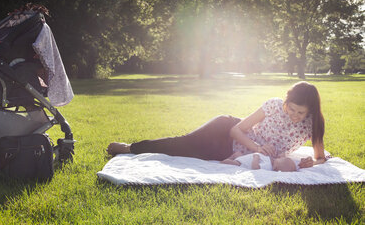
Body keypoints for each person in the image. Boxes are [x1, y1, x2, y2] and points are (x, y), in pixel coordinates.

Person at [107, 81, 326, 168]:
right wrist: (257, 148)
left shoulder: (313, 125)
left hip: (238, 156)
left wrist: (311, 164)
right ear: (286, 102)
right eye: (292, 109)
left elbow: (320, 157)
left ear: (311, 111)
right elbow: (236, 129)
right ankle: (130, 148)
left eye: (301, 112)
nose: (294, 115)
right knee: (180, 144)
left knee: (189, 156)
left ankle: (133, 149)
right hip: (226, 132)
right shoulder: (273, 105)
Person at [220, 151, 298, 172]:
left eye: (282, 159)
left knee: (234, 163)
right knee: (238, 154)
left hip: (243, 163)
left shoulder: (268, 166)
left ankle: (225, 161)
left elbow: (255, 167)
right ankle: (232, 157)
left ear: (275, 167)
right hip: (245, 157)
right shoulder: (271, 160)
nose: (281, 158)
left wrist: (256, 157)